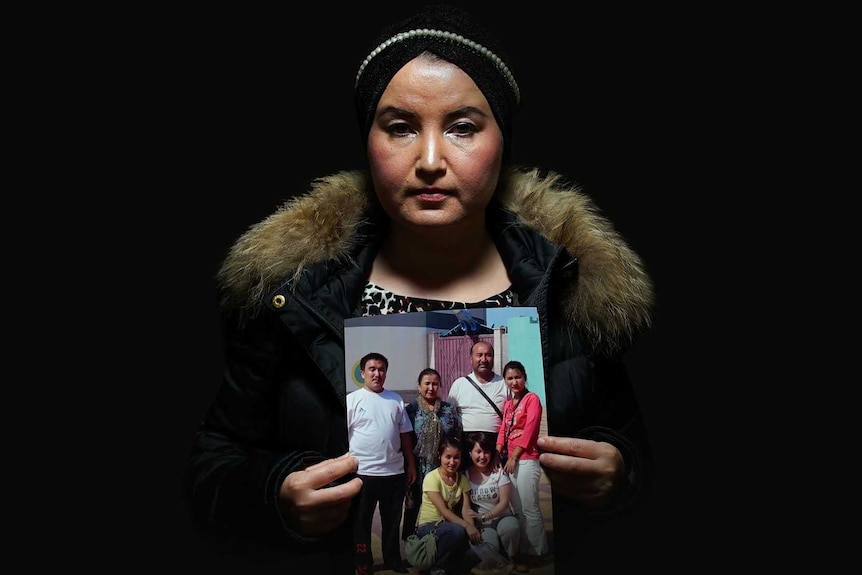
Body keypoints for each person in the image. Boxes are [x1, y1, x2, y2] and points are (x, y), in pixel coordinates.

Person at [182, 4, 655, 574]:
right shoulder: (295, 293)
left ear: (501, 140)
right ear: (368, 139)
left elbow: (634, 452)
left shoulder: (570, 287)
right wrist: (275, 494)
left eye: (462, 127)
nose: (430, 160)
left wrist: (618, 474)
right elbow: (212, 464)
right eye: (401, 127)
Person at [346, 352, 416, 574]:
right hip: (362, 473)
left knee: (392, 522)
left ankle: (393, 561)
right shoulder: (352, 400)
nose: (377, 374)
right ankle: (362, 562)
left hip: (393, 474)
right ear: (363, 372)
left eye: (381, 369)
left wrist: (410, 465)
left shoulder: (396, 400)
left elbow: (405, 436)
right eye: (372, 369)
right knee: (361, 523)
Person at [496, 361, 549, 567]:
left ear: (524, 377)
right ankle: (524, 548)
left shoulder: (532, 399)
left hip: (525, 459)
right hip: (510, 461)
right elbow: (503, 430)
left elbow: (530, 430)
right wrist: (496, 453)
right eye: (509, 378)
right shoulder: (509, 404)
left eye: (517, 377)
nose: (514, 382)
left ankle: (537, 551)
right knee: (517, 507)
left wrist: (514, 456)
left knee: (530, 507)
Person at [403, 368, 463, 542]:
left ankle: (442, 539)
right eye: (427, 383)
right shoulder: (411, 410)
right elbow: (405, 439)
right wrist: (409, 465)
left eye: (435, 384)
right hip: (417, 467)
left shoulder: (448, 409)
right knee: (413, 504)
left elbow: (457, 435)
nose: (431, 387)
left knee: (443, 504)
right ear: (419, 386)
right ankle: (410, 542)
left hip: (442, 466)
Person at [412, 435, 481, 575]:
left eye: (456, 457)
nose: (452, 462)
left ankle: (447, 566)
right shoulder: (432, 478)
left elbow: (466, 510)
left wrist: (472, 529)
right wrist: (467, 527)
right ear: (439, 456)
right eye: (447, 457)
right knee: (458, 531)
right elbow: (444, 511)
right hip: (428, 527)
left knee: (474, 554)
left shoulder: (462, 479)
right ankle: (436, 567)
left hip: (448, 527)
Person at [464, 431, 523, 574]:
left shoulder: (498, 472)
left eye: (486, 452)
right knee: (490, 546)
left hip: (503, 517)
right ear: (470, 453)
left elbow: (504, 502)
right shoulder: (465, 476)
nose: (482, 456)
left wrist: (485, 516)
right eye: (478, 452)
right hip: (484, 526)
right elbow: (466, 508)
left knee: (511, 528)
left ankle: (513, 558)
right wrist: (472, 527)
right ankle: (500, 562)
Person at [446, 342, 508, 436]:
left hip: (495, 443)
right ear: (471, 359)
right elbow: (448, 415)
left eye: (488, 355)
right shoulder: (459, 384)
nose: (483, 359)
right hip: (466, 442)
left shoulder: (504, 384)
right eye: (479, 355)